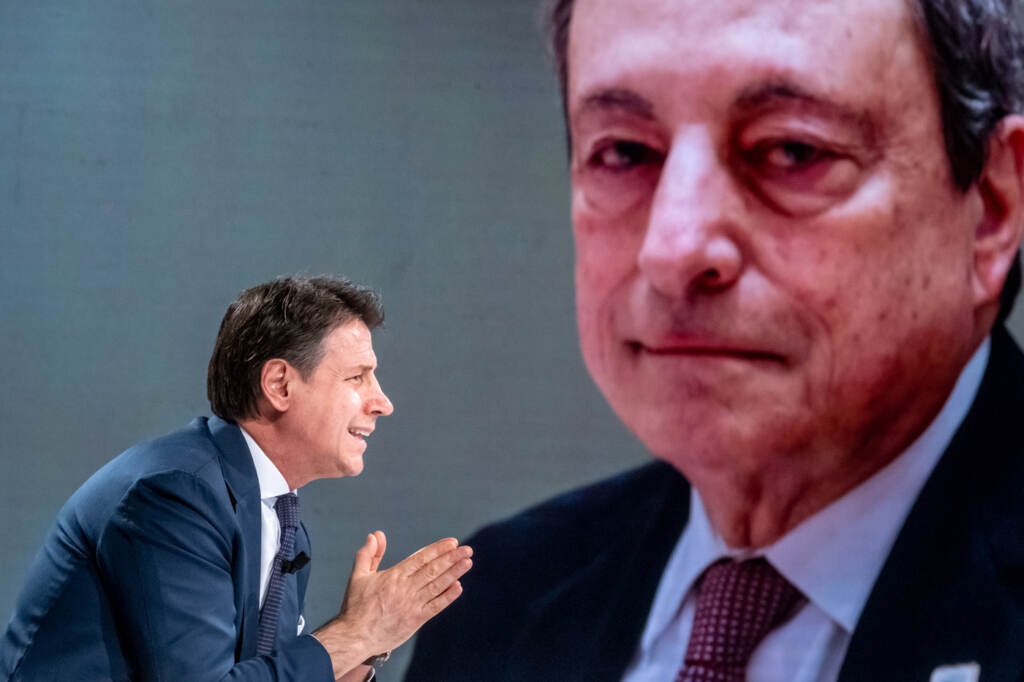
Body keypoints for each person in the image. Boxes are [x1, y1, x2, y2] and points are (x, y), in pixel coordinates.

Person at [406, 0, 1024, 680]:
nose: (672, 250)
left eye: (791, 150)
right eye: (624, 152)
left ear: (992, 209)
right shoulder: (491, 607)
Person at [1, 275, 473, 682]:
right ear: (280, 384)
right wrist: (356, 632)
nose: (382, 402)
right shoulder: (174, 494)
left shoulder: (280, 517)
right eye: (357, 377)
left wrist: (368, 645)